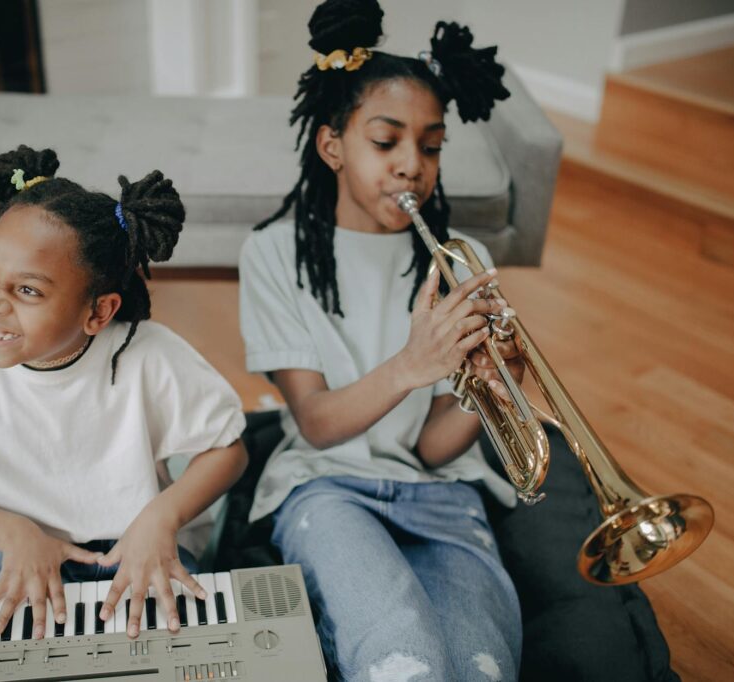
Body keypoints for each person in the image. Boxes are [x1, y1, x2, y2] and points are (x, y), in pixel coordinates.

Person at [238, 1, 524, 679]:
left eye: (430, 147)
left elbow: (429, 448)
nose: (410, 166)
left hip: (444, 492)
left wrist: (493, 386)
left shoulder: (463, 261)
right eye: (386, 141)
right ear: (332, 146)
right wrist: (413, 364)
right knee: (404, 660)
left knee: (480, 668)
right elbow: (317, 424)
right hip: (327, 486)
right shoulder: (273, 253)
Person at [0, 145, 248, 641]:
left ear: (99, 312)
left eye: (28, 291)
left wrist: (161, 518)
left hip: (138, 543)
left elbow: (228, 449)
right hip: (20, 551)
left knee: (175, 652)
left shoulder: (150, 355)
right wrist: (12, 533)